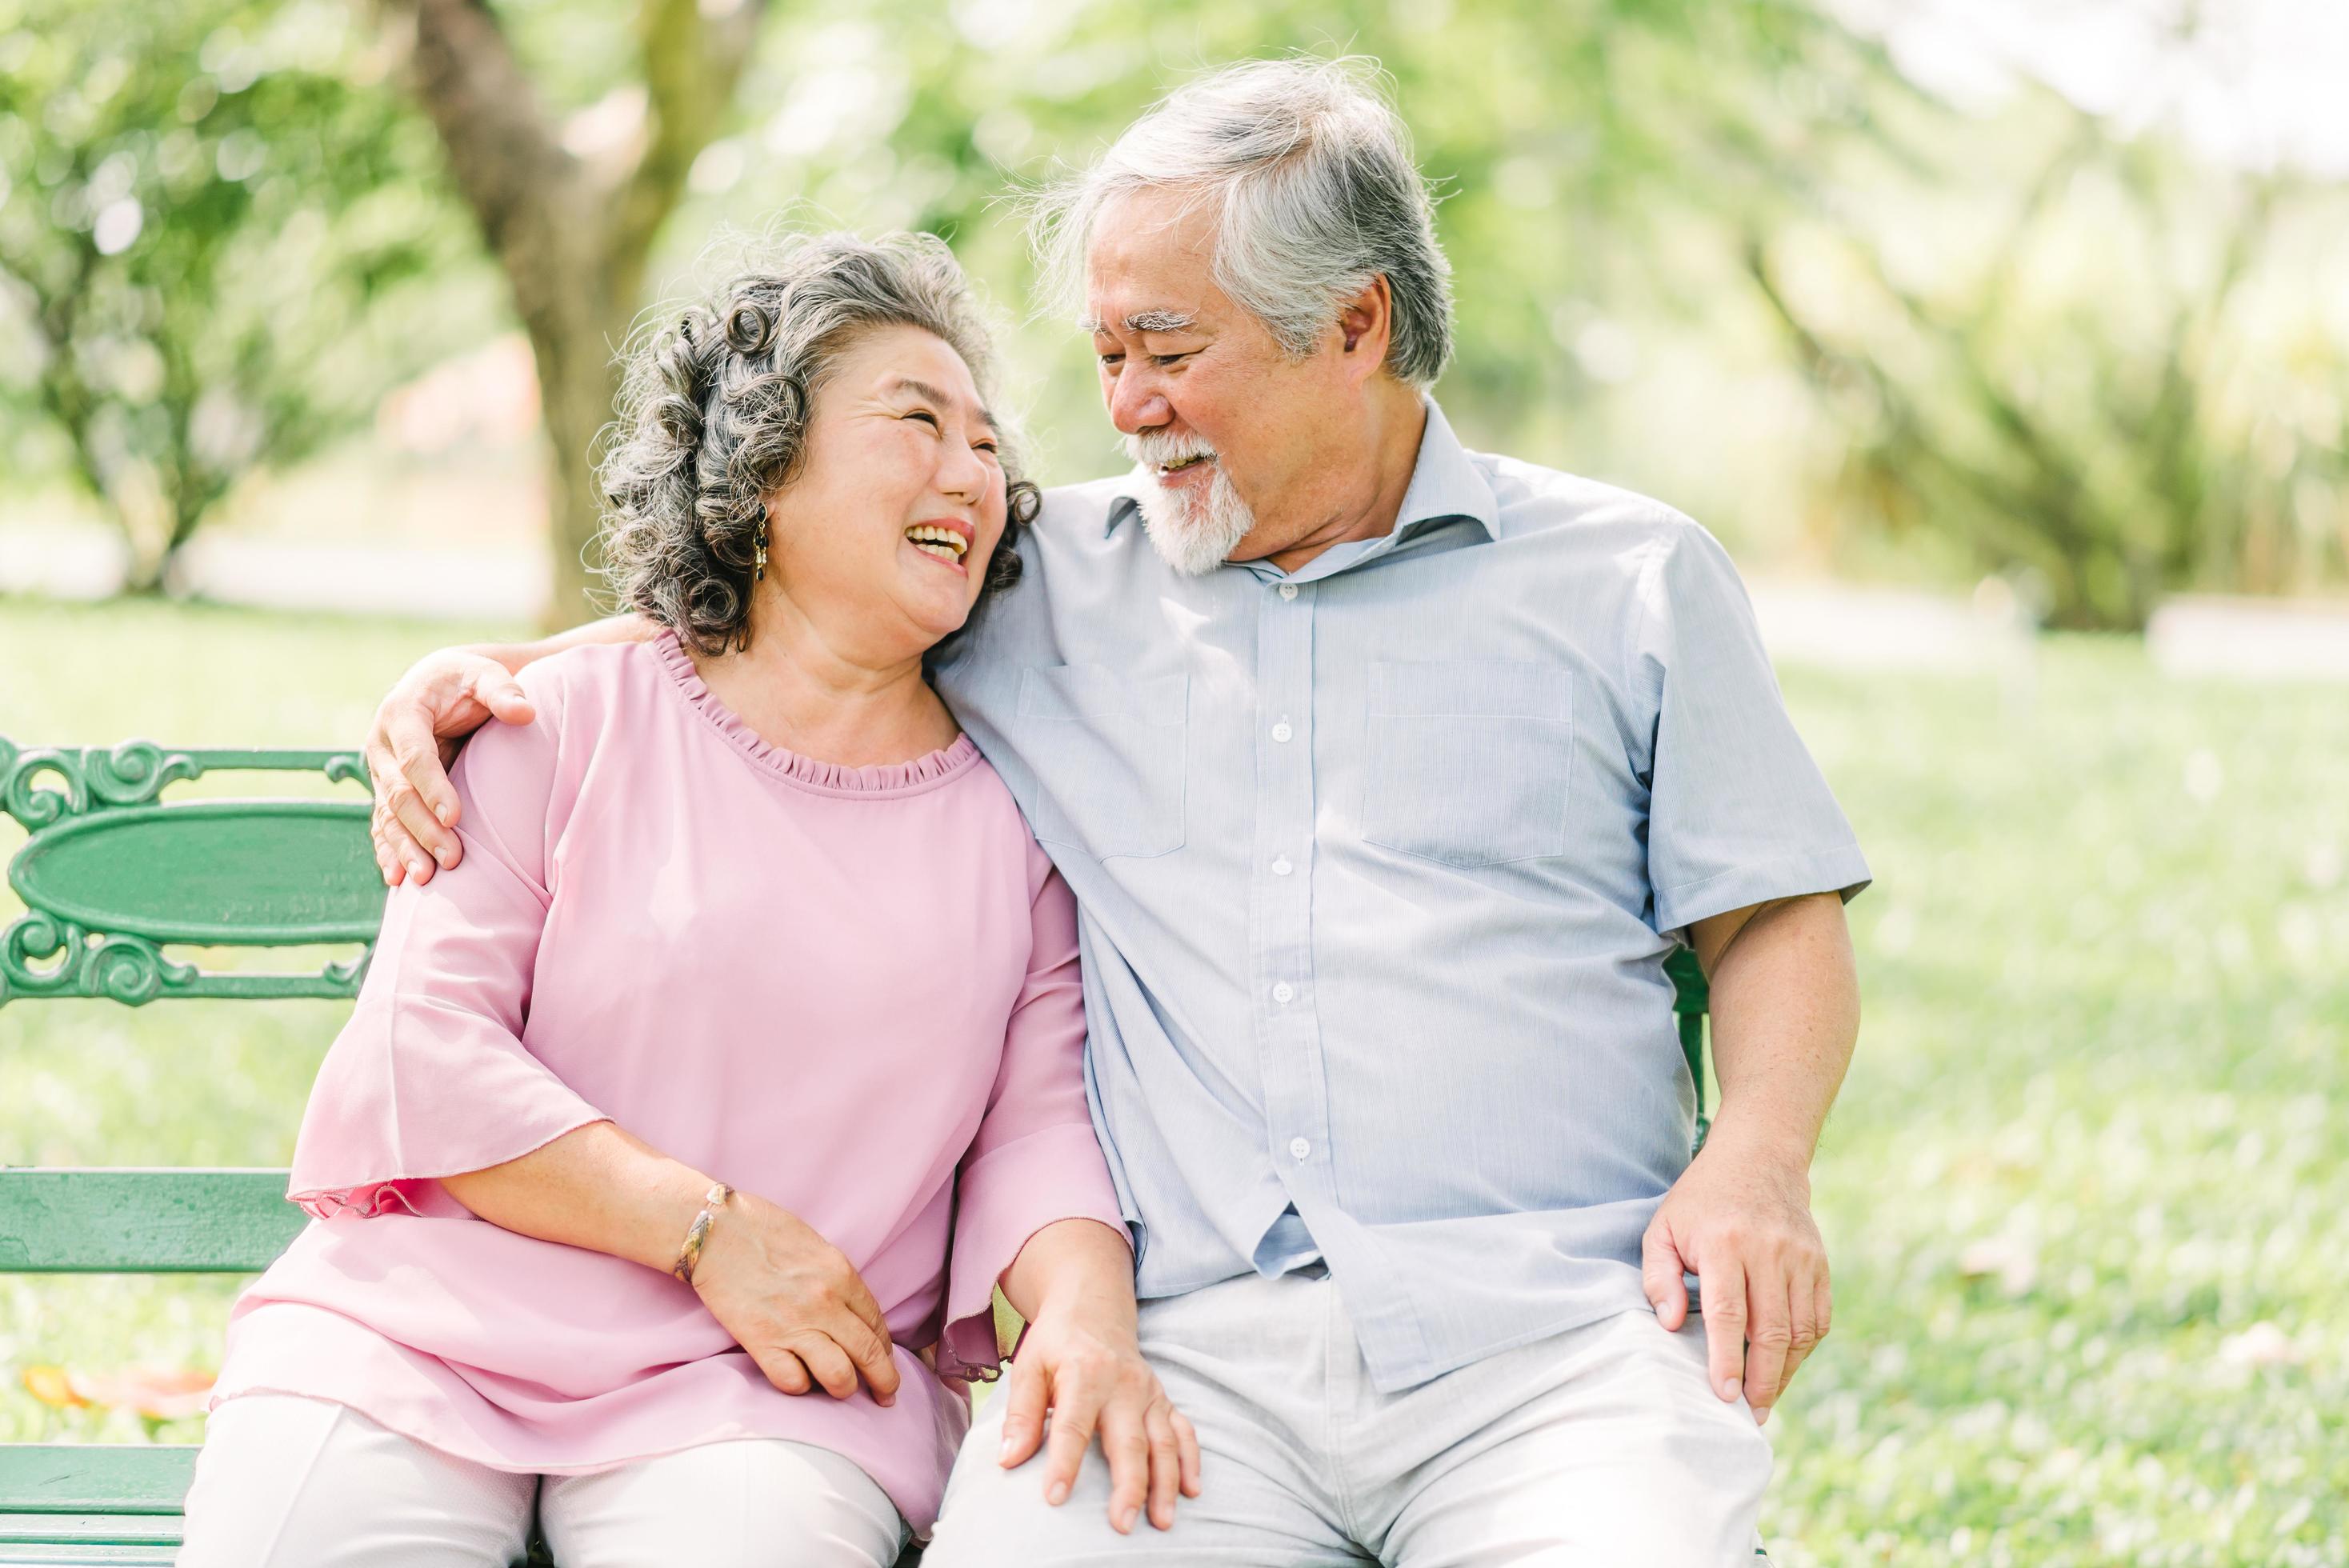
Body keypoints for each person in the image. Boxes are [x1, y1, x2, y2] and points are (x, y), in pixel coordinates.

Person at [370, 60, 1868, 1565]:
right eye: (1103, 352)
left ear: (1356, 325)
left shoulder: (1632, 580)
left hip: (1559, 1344)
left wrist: (1758, 1159)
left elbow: (1774, 915)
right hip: (1180, 1360)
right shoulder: (1039, 578)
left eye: (1167, 349)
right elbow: (793, 614)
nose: (1125, 408)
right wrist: (507, 674)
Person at [183, 233, 1198, 1568]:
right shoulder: (555, 723)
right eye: (916, 422)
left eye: (987, 444)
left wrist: (1082, 1315)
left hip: (770, 1386)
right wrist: (707, 1230)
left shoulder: (1015, 822)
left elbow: (1039, 1129)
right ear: (766, 469)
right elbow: (426, 1054)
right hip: (420, 1333)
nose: (975, 472)